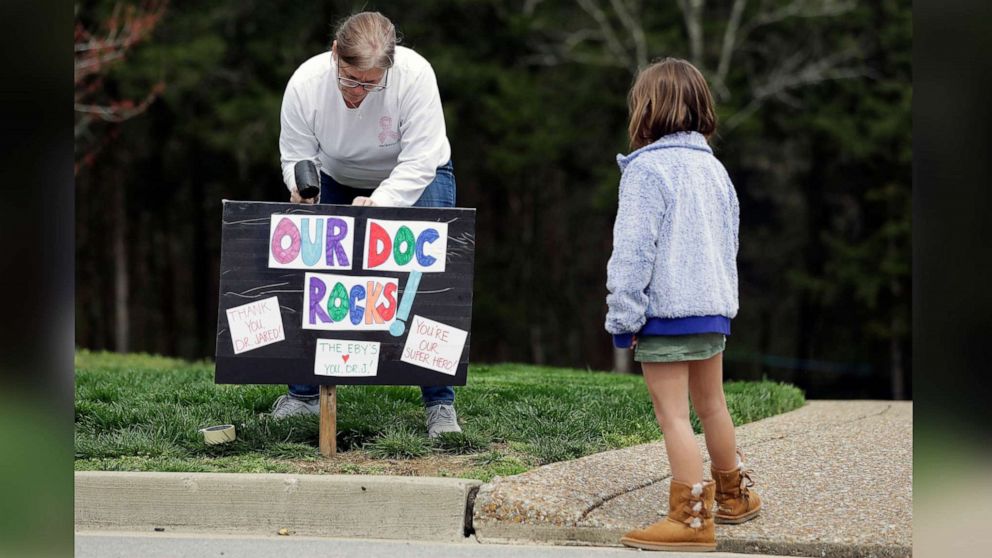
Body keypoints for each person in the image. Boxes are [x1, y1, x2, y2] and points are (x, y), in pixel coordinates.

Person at [273, 11, 461, 438]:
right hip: (336, 176)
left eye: (370, 83)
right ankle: (302, 396)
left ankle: (440, 404)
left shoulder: (416, 76)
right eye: (350, 79)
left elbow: (419, 161)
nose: (358, 92)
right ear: (334, 53)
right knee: (316, 273)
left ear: (390, 68)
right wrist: (304, 188)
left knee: (424, 283)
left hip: (418, 174)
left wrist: (380, 203)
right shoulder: (306, 83)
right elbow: (297, 154)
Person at [605, 58, 761, 551]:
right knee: (712, 405)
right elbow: (728, 243)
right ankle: (734, 496)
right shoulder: (715, 170)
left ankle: (691, 518)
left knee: (673, 415)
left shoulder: (646, 170)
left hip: (665, 314)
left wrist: (623, 318)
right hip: (712, 309)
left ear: (644, 109)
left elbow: (632, 253)